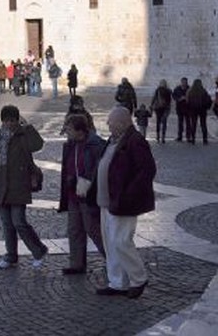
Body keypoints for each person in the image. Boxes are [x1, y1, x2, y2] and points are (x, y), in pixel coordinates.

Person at [95, 106, 156, 298]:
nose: (107, 125)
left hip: (123, 201)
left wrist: (128, 193)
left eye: (111, 122)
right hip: (106, 201)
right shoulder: (114, 139)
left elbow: (147, 170)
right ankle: (117, 282)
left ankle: (139, 278)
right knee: (110, 244)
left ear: (122, 124)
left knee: (121, 242)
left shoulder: (135, 141)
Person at [0, 105, 48, 269]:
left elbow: (37, 145)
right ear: (2, 121)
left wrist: (27, 127)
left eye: (12, 120)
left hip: (19, 184)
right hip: (1, 185)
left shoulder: (22, 135)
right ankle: (11, 256)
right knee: (7, 224)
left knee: (19, 222)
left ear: (17, 120)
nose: (9, 124)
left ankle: (38, 250)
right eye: (6, 121)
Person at [58, 113, 106, 274]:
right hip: (73, 194)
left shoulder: (95, 144)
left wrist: (86, 180)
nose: (67, 132)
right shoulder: (70, 145)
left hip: (88, 194)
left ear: (80, 130)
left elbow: (99, 168)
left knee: (93, 229)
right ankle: (76, 264)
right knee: (74, 229)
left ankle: (113, 259)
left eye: (69, 129)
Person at [185, 79, 212, 145]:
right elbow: (208, 100)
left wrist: (188, 109)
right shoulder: (203, 91)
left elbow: (187, 101)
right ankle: (205, 139)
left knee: (193, 124)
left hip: (193, 110)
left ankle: (193, 139)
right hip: (202, 109)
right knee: (203, 124)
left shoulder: (190, 91)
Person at [172, 77, 189, 141]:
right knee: (180, 123)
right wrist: (179, 99)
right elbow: (173, 95)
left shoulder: (189, 89)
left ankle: (188, 136)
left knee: (188, 123)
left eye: (185, 82)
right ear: (181, 82)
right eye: (183, 82)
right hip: (179, 108)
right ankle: (180, 136)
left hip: (188, 108)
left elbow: (192, 97)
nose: (184, 83)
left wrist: (187, 99)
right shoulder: (177, 89)